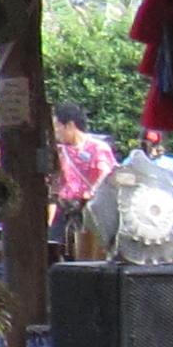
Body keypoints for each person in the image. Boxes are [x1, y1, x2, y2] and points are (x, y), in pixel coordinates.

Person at [49, 98, 117, 252]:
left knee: (87, 251)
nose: (56, 132)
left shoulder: (97, 148)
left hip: (89, 211)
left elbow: (106, 173)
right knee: (55, 247)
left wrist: (92, 191)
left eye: (57, 126)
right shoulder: (60, 151)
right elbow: (56, 180)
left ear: (70, 125)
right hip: (65, 210)